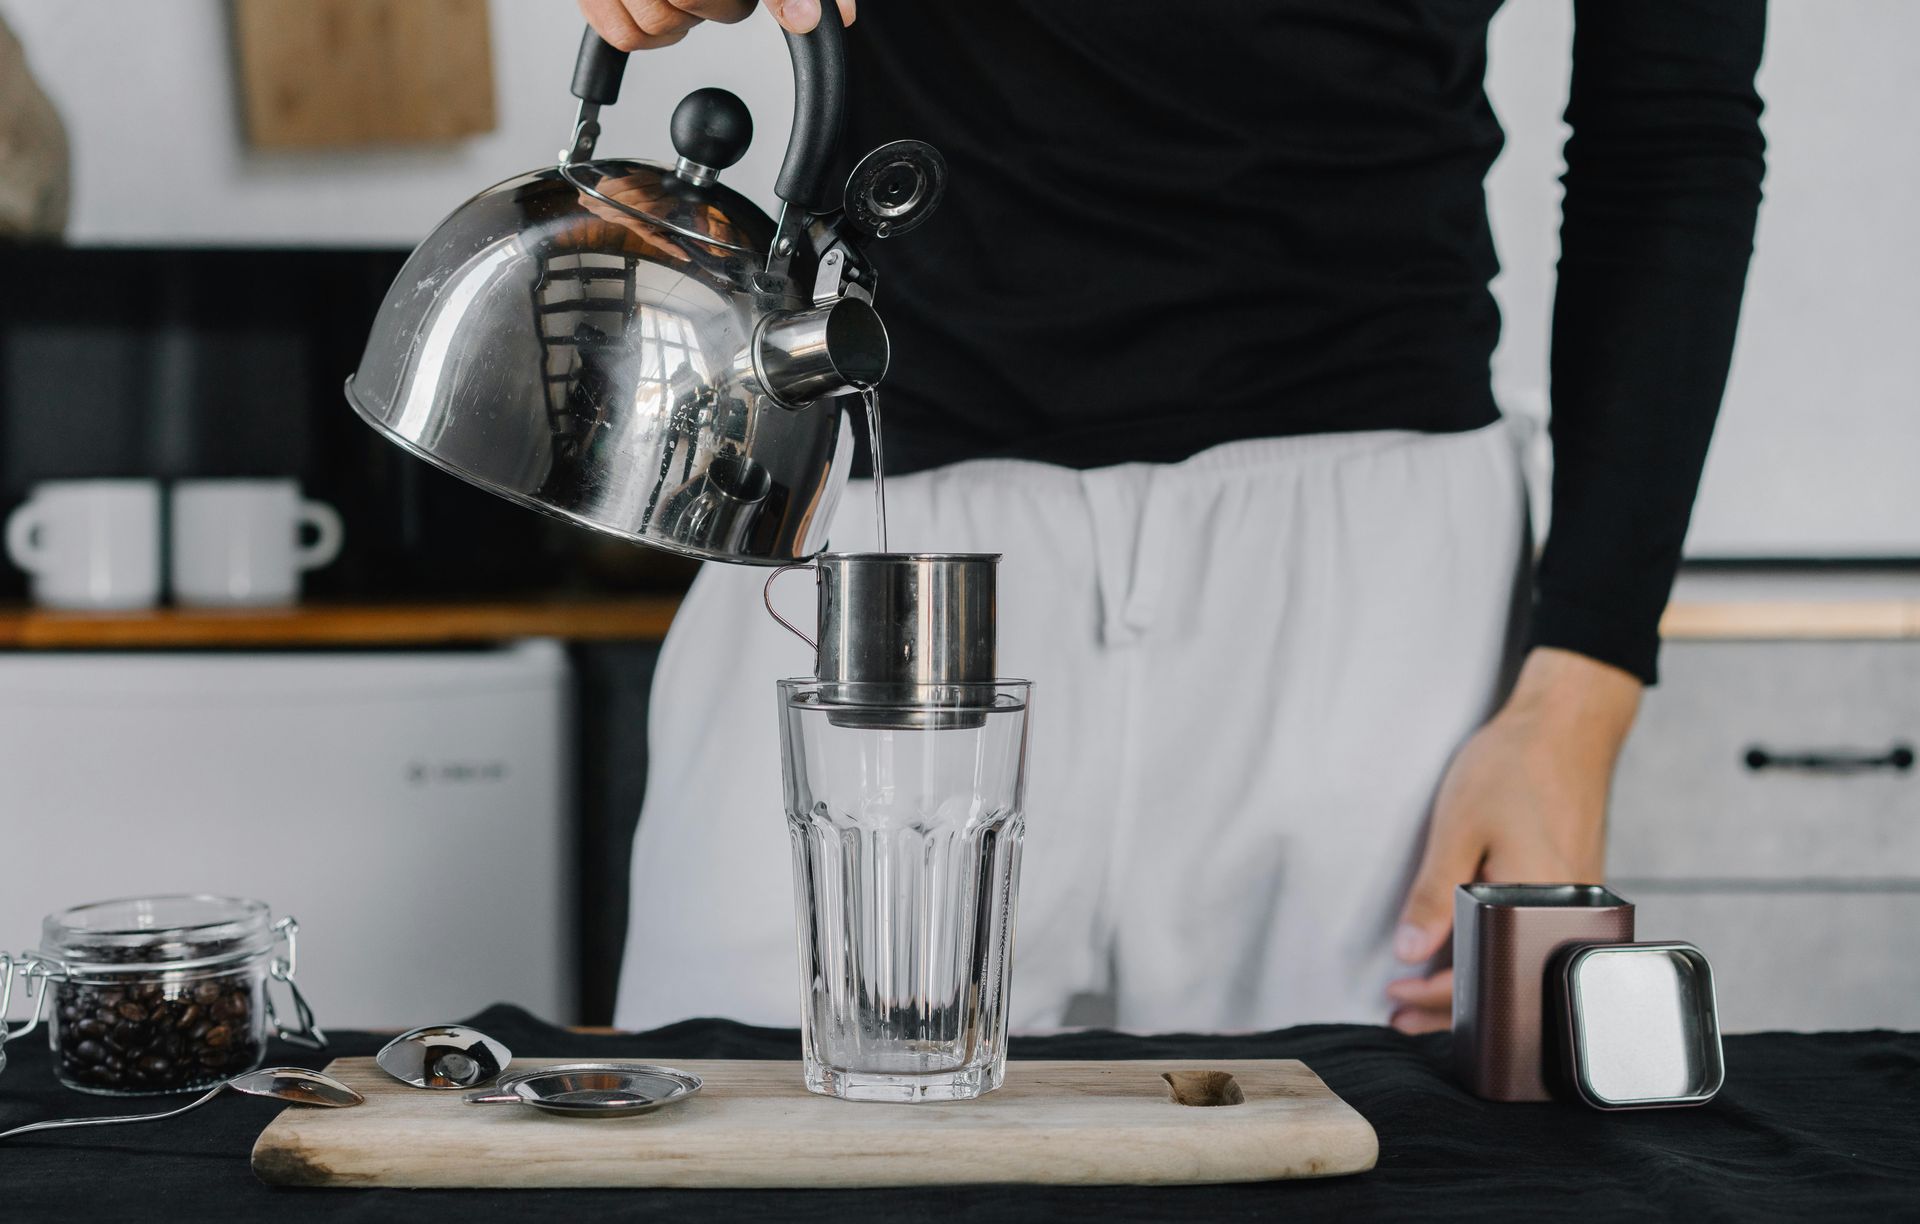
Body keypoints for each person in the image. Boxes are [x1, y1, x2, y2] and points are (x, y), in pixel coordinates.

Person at [587, 0, 1767, 1034]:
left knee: (1387, 1219)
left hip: (1376, 598)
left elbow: (1673, 127)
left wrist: (1578, 707)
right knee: (752, 1207)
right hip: (877, 527)